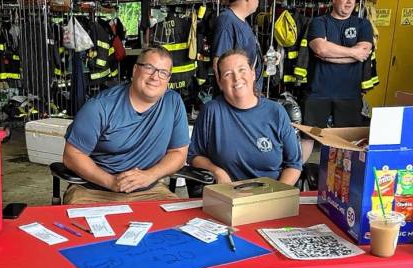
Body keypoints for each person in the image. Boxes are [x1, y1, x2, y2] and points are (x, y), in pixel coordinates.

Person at [62, 46, 189, 204]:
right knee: (85, 228)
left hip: (151, 189)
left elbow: (178, 153)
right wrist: (111, 182)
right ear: (135, 69)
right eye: (149, 68)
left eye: (163, 72)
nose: (155, 77)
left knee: (178, 225)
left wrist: (150, 176)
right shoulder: (100, 106)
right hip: (94, 190)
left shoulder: (173, 103)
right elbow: (72, 156)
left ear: (168, 79)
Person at [189, 49, 302, 186]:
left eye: (242, 70)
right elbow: (194, 156)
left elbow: (294, 164)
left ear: (253, 73)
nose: (236, 78)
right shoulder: (211, 111)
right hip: (227, 196)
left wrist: (277, 195)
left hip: (271, 196)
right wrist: (217, 171)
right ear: (220, 83)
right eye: (228, 74)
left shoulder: (276, 112)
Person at [304, 0, 373, 127]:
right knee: (309, 135)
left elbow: (363, 52)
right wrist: (353, 53)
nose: (349, 2)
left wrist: (328, 56)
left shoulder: (363, 24)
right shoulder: (318, 22)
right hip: (318, 92)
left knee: (347, 140)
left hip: (350, 94)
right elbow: (321, 49)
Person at [211, 0, 263, 90]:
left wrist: (263, 60)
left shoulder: (241, 21)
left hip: (249, 93)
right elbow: (219, 63)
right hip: (237, 98)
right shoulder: (226, 22)